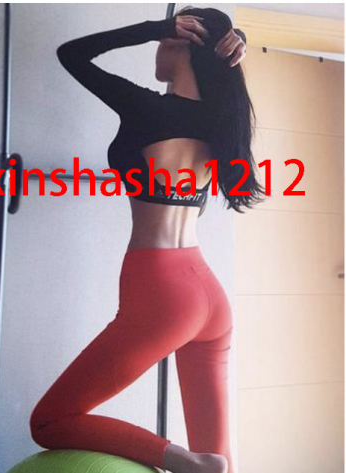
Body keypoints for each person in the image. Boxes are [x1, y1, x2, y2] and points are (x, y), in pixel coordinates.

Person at [30, 6, 266, 473]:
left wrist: (151, 28)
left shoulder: (146, 107)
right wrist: (228, 38)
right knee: (222, 459)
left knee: (51, 420)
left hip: (161, 291)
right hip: (206, 292)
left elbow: (72, 54)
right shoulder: (221, 120)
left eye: (162, 41)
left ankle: (183, 461)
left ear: (180, 42)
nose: (156, 49)